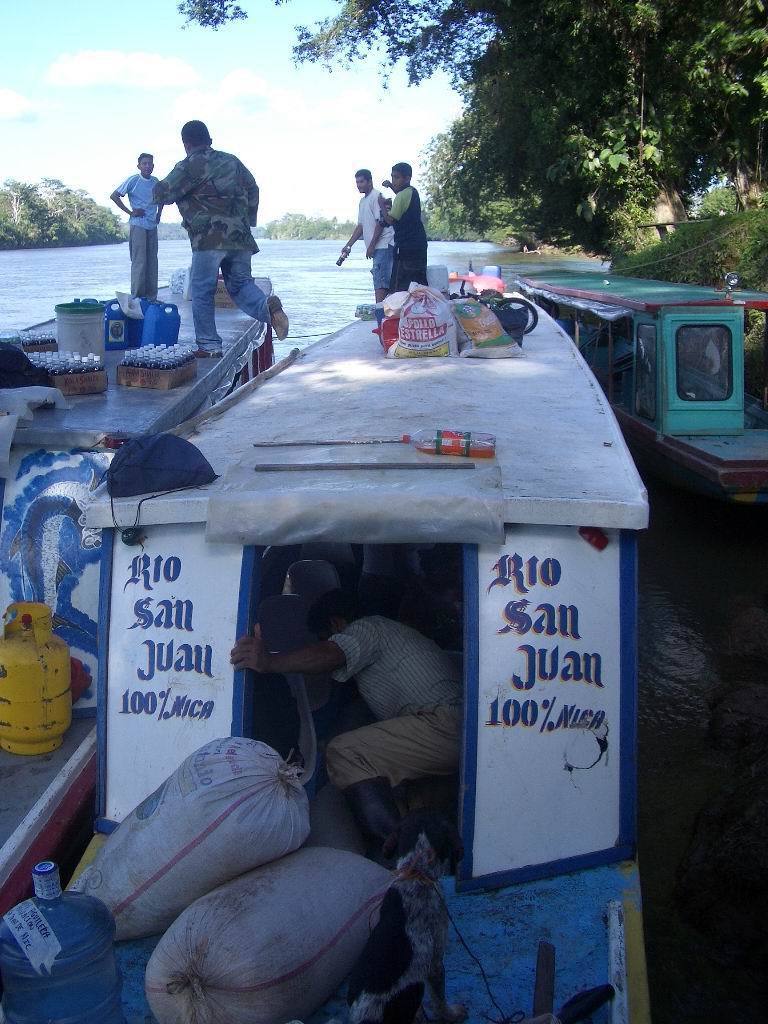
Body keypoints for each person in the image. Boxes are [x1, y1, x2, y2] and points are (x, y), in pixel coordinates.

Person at [230, 589, 462, 851]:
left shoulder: (369, 627)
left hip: (444, 724)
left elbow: (332, 654)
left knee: (346, 752)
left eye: (325, 636)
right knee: (418, 807)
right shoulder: (392, 645)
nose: (328, 641)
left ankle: (404, 854)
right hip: (456, 730)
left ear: (336, 624)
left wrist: (269, 662)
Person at [152, 120, 288, 353]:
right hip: (240, 237)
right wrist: (248, 220)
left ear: (186, 144)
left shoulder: (189, 165)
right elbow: (253, 187)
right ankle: (268, 309)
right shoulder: (232, 161)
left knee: (202, 290)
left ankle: (209, 344)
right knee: (241, 284)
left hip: (208, 239)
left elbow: (161, 193)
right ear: (210, 140)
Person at [110, 154, 163, 300]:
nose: (147, 166)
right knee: (139, 262)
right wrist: (130, 212)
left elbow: (162, 198)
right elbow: (114, 195)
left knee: (152, 262)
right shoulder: (134, 180)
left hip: (152, 225)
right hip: (138, 225)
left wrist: (159, 214)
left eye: (150, 164)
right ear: (138, 166)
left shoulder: (156, 182)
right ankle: (138, 297)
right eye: (144, 163)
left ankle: (152, 297)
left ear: (153, 166)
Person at [338, 169, 394, 302]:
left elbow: (380, 223)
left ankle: (381, 317)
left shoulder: (377, 196)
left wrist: (371, 246)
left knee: (381, 284)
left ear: (370, 181)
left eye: (361, 181)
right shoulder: (362, 201)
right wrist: (348, 245)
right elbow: (360, 226)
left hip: (384, 245)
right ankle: (382, 315)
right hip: (377, 248)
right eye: (357, 182)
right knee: (379, 281)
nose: (358, 185)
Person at [378, 162, 428, 293]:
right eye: (392, 177)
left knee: (400, 286)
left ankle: (398, 311)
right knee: (419, 283)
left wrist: (382, 205)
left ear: (407, 178)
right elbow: (401, 196)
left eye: (397, 177)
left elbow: (389, 220)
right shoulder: (412, 191)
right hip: (419, 245)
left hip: (406, 248)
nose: (394, 181)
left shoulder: (401, 196)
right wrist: (391, 187)